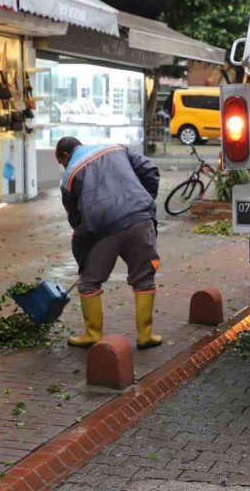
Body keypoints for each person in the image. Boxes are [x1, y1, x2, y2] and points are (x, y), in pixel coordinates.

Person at [55, 136, 162, 350]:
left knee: (89, 282)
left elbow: (75, 219)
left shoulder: (69, 176)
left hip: (103, 229)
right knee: (144, 278)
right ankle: (145, 335)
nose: (63, 166)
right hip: (140, 219)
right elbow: (150, 169)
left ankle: (93, 334)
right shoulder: (117, 148)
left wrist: (84, 252)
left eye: (61, 161)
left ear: (66, 155)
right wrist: (143, 199)